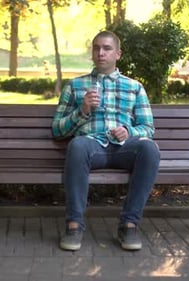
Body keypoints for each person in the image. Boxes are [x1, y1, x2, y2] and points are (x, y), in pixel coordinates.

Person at [51, 31, 160, 251]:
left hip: (124, 149)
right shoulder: (75, 86)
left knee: (150, 148)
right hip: (92, 147)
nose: (101, 53)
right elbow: (57, 130)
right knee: (78, 144)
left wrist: (128, 131)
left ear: (118, 54)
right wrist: (81, 111)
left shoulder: (135, 87)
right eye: (96, 48)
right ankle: (74, 225)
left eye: (107, 48)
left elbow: (148, 128)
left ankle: (129, 225)